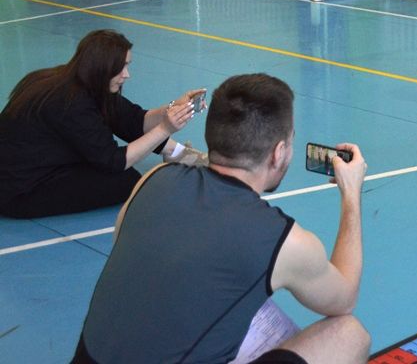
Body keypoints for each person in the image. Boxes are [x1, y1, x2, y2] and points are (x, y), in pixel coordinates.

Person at [73, 73, 370, 364]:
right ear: (279, 153)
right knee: (349, 335)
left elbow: (123, 244)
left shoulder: (155, 178)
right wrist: (351, 193)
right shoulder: (282, 239)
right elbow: (344, 298)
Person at [0, 29, 207, 219]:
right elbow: (115, 161)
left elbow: (134, 119)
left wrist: (173, 107)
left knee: (122, 133)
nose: (127, 74)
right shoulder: (71, 103)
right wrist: (165, 129)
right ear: (102, 66)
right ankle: (175, 153)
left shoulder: (78, 79)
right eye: (121, 68)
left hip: (30, 166)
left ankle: (176, 152)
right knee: (125, 181)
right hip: (20, 192)